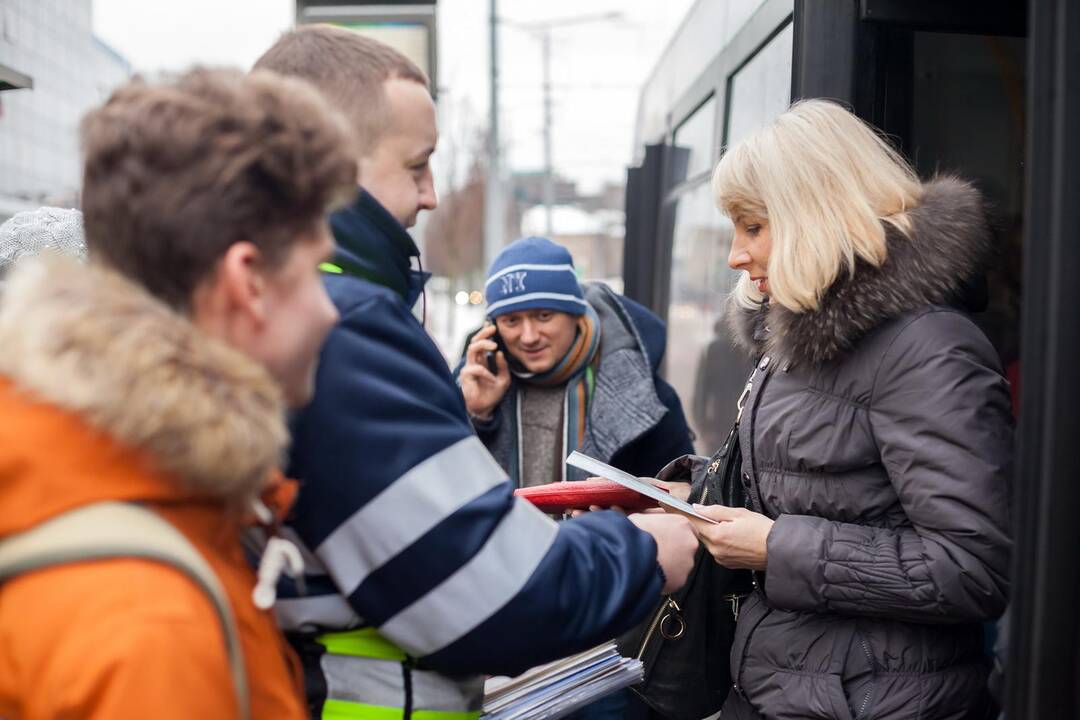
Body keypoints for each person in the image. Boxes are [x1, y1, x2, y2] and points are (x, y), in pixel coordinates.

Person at [253, 26, 699, 720]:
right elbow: (485, 588)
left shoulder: (276, 302)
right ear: (330, 163)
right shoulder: (340, 325)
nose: (430, 195)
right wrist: (644, 550)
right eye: (417, 164)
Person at [0, 67, 357, 719]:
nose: (331, 311)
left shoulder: (112, 474)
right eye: (316, 271)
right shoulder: (153, 630)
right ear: (248, 282)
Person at [685, 99, 1012, 719]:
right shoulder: (800, 336)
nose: (735, 255)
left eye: (753, 228)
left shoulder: (926, 349)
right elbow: (815, 488)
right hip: (790, 692)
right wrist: (686, 488)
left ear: (815, 215)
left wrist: (776, 548)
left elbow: (972, 569)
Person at [459, 235, 694, 487]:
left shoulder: (646, 394)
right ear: (493, 327)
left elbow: (684, 492)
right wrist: (474, 414)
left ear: (575, 312)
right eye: (511, 321)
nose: (528, 337)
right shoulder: (474, 386)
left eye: (544, 315)